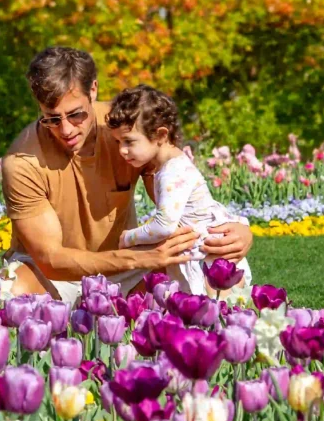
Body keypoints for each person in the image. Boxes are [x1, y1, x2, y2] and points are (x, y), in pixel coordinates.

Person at [0, 46, 253, 303]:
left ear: (93, 90)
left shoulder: (125, 129)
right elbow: (51, 259)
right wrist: (138, 257)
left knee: (221, 270)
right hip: (52, 275)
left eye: (75, 114)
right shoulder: (22, 162)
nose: (65, 129)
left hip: (124, 269)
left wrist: (239, 232)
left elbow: (179, 191)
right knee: (10, 295)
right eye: (52, 119)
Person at [108, 84, 252, 296]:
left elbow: (164, 225)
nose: (122, 150)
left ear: (160, 135)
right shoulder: (169, 166)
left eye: (129, 141)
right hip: (200, 254)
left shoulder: (172, 173)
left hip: (207, 262)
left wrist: (129, 237)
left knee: (214, 317)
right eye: (118, 141)